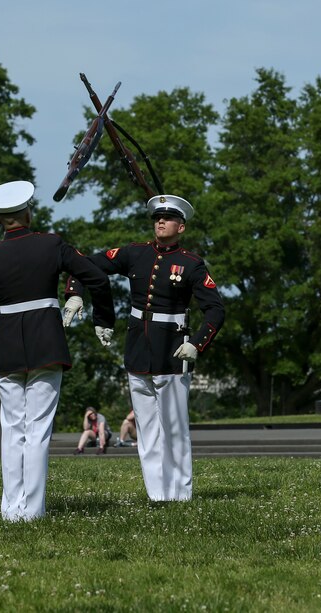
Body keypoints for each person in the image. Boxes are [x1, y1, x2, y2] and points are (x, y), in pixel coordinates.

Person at [0, 180, 114, 521]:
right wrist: (103, 318)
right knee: (38, 429)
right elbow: (98, 279)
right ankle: (32, 511)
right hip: (47, 343)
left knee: (13, 430)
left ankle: (10, 510)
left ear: (0, 218)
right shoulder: (51, 244)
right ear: (28, 211)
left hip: (8, 349)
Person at [65, 194, 224, 502]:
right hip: (138, 347)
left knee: (174, 428)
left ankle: (180, 494)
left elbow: (216, 309)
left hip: (173, 350)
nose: (160, 222)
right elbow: (84, 264)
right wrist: (75, 291)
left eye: (167, 218)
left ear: (182, 227)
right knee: (147, 429)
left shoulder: (191, 264)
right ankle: (158, 495)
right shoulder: (134, 254)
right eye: (157, 218)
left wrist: (196, 344)